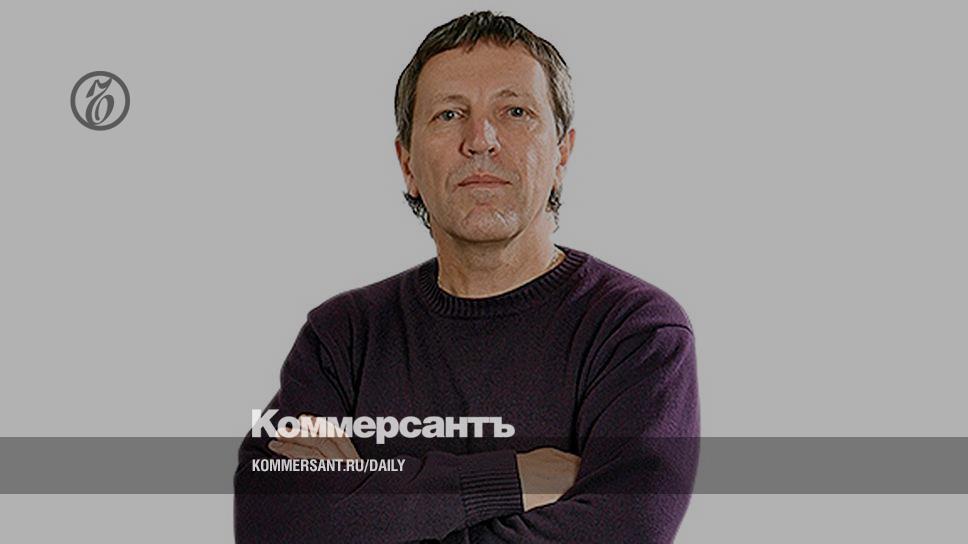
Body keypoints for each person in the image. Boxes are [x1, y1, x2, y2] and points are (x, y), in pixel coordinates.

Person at [234, 11, 699, 543]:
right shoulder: (341, 337)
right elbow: (270, 524)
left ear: (562, 154)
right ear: (407, 164)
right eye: (449, 114)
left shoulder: (636, 332)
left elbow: (622, 533)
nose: (481, 140)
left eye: (515, 111)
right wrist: (505, 481)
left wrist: (364, 505)